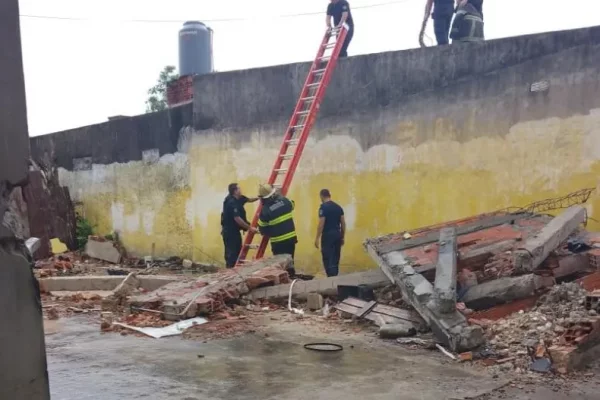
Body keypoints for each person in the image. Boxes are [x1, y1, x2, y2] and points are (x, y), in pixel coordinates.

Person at [257, 184, 298, 277]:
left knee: (280, 266)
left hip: (278, 243)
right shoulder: (285, 201)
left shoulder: (265, 210)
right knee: (290, 262)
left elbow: (262, 228)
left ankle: (284, 283)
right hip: (291, 239)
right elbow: (292, 204)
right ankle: (292, 279)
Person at [221, 183, 258, 268]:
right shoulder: (231, 202)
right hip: (229, 232)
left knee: (237, 250)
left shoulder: (239, 198)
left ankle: (235, 269)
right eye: (239, 189)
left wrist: (259, 197)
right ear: (235, 191)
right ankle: (231, 272)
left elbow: (249, 199)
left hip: (235, 231)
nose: (241, 190)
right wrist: (249, 228)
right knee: (232, 254)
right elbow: (237, 219)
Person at [314, 189, 345, 277]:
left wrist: (317, 238)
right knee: (335, 257)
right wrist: (342, 237)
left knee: (327, 257)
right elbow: (343, 224)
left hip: (328, 236)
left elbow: (321, 224)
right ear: (329, 195)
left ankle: (330, 278)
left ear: (321, 196)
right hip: (337, 235)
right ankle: (335, 277)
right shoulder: (338, 207)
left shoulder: (323, 207)